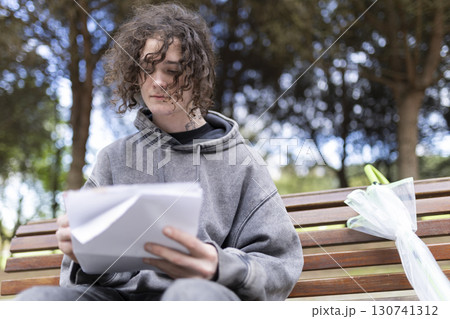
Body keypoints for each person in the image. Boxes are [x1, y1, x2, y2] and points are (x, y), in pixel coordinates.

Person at [16, 3, 303, 301]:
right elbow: (77, 280)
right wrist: (84, 255)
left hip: (202, 298)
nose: (157, 82)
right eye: (146, 68)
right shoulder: (113, 158)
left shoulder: (242, 162)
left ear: (198, 75)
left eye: (172, 70)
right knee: (35, 301)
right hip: (121, 301)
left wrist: (218, 266)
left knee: (190, 294)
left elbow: (280, 264)